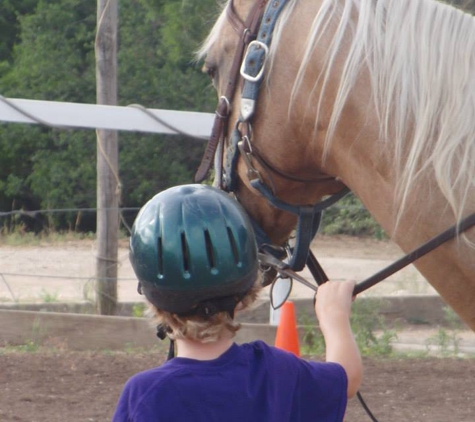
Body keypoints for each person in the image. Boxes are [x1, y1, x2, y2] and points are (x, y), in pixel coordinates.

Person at [112, 184, 362, 422]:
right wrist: (334, 317)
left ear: (154, 301)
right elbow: (346, 379)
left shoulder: (145, 394)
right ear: (247, 294)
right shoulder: (277, 371)